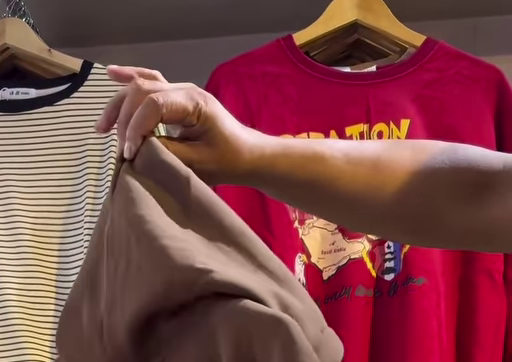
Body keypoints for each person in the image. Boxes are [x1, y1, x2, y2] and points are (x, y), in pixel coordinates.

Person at [97, 66, 512, 254]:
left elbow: (478, 196)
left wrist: (248, 151)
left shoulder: (475, 87)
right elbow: (476, 195)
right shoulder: (243, 82)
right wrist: (247, 151)